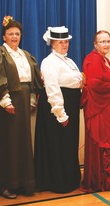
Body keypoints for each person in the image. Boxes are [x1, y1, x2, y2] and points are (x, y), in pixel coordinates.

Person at [0, 16, 42, 199]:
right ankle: (6, 185)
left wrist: (32, 98)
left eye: (17, 34)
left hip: (24, 100)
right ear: (4, 36)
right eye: (10, 34)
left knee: (23, 141)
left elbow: (33, 80)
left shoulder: (26, 55)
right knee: (8, 142)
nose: (14, 37)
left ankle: (22, 183)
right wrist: (6, 100)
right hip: (7, 101)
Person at [34, 26, 83, 193]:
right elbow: (53, 88)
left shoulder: (69, 61)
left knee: (69, 144)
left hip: (71, 104)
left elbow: (78, 82)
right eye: (60, 42)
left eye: (66, 41)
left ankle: (70, 178)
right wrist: (60, 114)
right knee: (58, 144)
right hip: (59, 108)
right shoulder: (49, 62)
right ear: (52, 43)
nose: (64, 44)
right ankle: (59, 182)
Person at [79, 30, 110, 192]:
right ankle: (101, 180)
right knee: (101, 140)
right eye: (102, 41)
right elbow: (94, 84)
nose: (106, 44)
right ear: (95, 44)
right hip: (98, 108)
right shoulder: (92, 59)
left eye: (108, 41)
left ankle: (109, 178)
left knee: (109, 139)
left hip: (107, 106)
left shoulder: (105, 60)